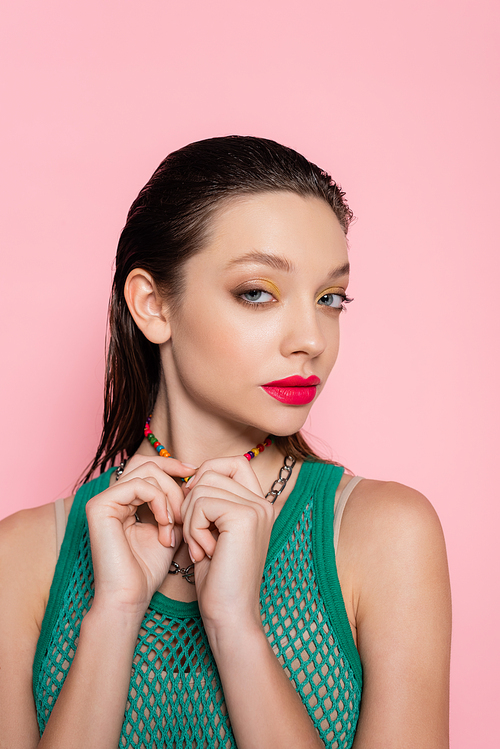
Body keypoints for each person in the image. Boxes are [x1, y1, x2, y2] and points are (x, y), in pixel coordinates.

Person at [0, 135, 451, 749]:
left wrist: (236, 628)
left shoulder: (384, 534)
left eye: (330, 298)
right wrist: (114, 613)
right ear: (153, 304)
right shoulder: (22, 558)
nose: (311, 339)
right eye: (258, 292)